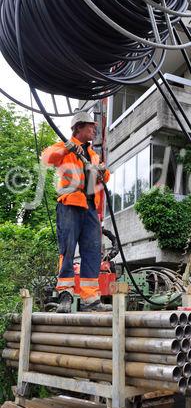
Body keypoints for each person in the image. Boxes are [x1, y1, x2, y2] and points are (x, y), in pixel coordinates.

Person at [42, 111, 112, 313]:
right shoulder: (65, 147)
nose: (94, 129)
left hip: (90, 208)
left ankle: (91, 300)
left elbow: (104, 176)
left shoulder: (93, 154)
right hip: (70, 204)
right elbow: (47, 157)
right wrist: (66, 148)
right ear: (79, 127)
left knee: (92, 252)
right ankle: (65, 295)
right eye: (91, 126)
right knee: (68, 249)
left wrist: (102, 172)